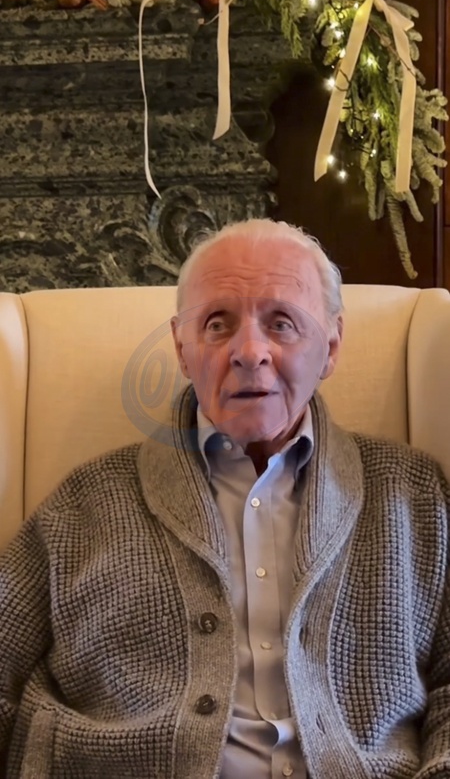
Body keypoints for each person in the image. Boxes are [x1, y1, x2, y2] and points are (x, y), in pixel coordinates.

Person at [0, 218, 449, 779]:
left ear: (331, 347)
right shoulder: (83, 506)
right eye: (217, 324)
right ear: (182, 349)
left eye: (282, 323)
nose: (249, 351)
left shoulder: (415, 496)